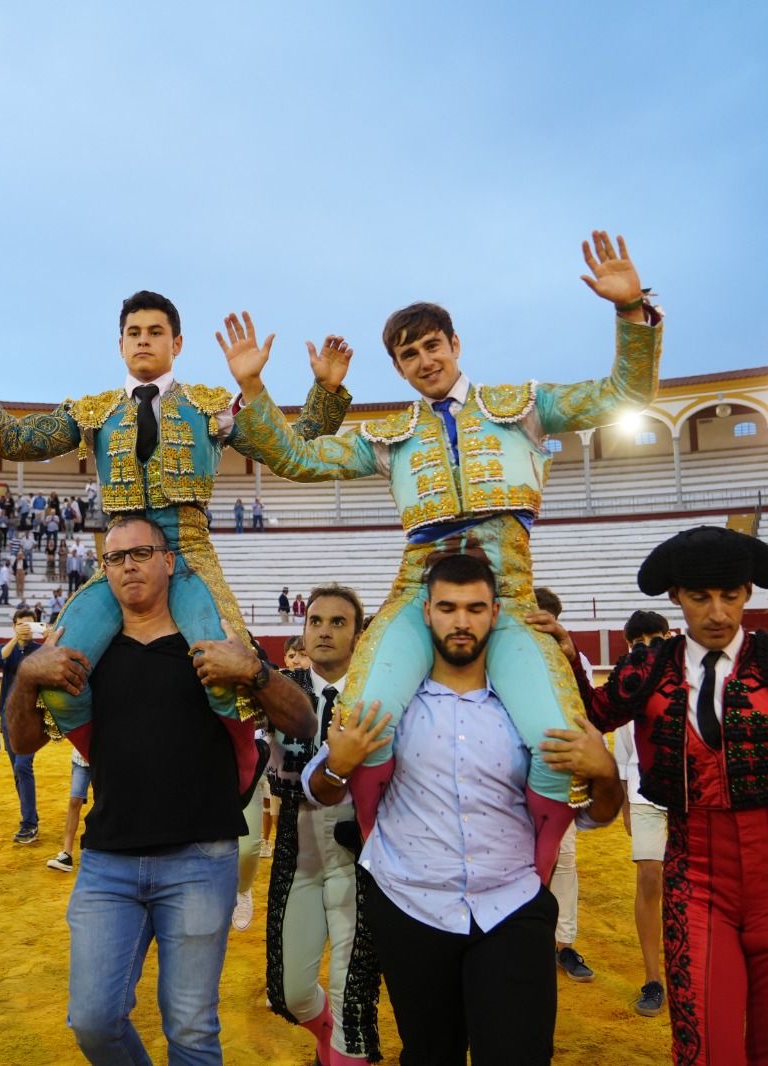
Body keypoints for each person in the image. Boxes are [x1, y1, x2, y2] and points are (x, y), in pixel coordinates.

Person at [223, 231, 662, 879]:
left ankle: (530, 881)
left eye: (432, 345)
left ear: (456, 346)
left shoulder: (523, 408)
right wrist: (255, 386)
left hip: (507, 601)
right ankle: (382, 857)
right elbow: (293, 456)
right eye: (409, 354)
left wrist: (630, 313)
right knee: (363, 724)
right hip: (417, 598)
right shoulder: (394, 437)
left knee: (558, 741)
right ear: (398, 369)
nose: (424, 360)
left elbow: (627, 393)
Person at [0, 290, 350, 757]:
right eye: (134, 333)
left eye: (156, 332)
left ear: (178, 343)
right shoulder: (94, 412)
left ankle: (233, 769)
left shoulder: (212, 407)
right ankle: (112, 760)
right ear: (120, 345)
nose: (144, 341)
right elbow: (13, 439)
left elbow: (292, 446)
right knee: (55, 673)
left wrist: (326, 393)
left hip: (188, 556)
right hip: (121, 560)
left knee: (225, 674)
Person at [565, 526, 768, 1065]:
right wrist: (557, 650)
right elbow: (584, 714)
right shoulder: (648, 670)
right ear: (676, 597)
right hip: (696, 883)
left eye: (731, 596)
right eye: (700, 597)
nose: (717, 612)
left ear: (747, 592)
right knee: (704, 1052)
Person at [3, 514, 318, 1064]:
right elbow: (24, 743)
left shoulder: (215, 645)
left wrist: (256, 673)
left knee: (192, 1030)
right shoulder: (88, 657)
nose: (128, 565)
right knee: (93, 1022)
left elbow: (304, 723)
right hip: (108, 861)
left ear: (169, 562)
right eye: (115, 557)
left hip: (200, 856)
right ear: (104, 571)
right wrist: (27, 676)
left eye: (142, 553)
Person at [304, 554, 625, 1066]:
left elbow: (596, 814)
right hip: (411, 904)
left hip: (513, 903)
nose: (461, 621)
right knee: (430, 1056)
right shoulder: (389, 705)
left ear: (495, 613)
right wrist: (338, 767)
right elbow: (321, 789)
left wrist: (606, 774)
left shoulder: (528, 707)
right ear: (426, 612)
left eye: (475, 608)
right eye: (448, 607)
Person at [265, 584, 381, 1065]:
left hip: (364, 860)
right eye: (316, 621)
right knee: (289, 992)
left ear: (358, 635)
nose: (325, 631)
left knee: (351, 995)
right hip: (298, 855)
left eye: (339, 622)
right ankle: (329, 1037)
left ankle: (342, 1047)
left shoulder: (378, 696)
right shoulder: (277, 692)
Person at [530, 586, 594, 983]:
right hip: (514, 771)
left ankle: (563, 942)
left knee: (564, 858)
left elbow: (588, 711)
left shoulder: (573, 658)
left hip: (557, 769)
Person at [618, 609, 673, 1016]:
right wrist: (624, 802)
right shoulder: (629, 685)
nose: (648, 648)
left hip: (692, 795)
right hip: (643, 792)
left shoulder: (691, 676)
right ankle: (654, 977)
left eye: (655, 639)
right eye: (640, 642)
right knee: (650, 876)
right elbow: (623, 753)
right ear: (628, 646)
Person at [0, 609, 43, 844]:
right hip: (7, 717)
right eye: (21, 625)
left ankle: (29, 823)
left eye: (29, 625)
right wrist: (15, 638)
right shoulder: (8, 649)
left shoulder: (41, 651)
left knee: (23, 766)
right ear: (14, 626)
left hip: (30, 718)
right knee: (18, 770)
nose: (25, 629)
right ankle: (30, 817)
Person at [46, 747, 91, 874]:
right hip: (80, 759)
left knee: (103, 801)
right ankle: (67, 854)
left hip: (103, 759)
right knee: (74, 801)